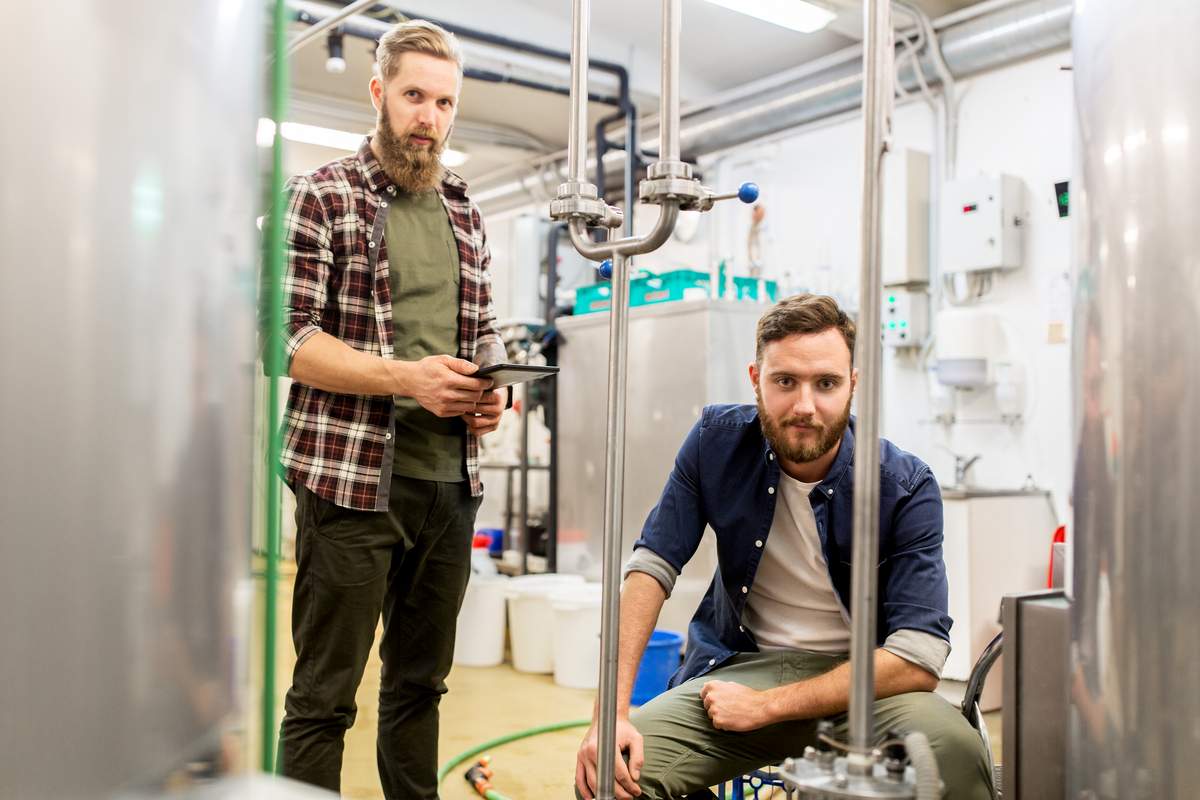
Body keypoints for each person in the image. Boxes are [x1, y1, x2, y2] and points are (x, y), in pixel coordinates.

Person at [574, 294, 992, 800]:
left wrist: (769, 706)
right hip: (739, 670)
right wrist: (610, 715)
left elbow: (916, 658)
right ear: (756, 378)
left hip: (864, 686)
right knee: (610, 777)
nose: (804, 406)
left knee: (955, 752)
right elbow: (651, 567)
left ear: (853, 385)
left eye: (827, 383)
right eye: (784, 381)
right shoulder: (714, 442)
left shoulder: (904, 485)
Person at [272, 19, 508, 798]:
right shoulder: (320, 195)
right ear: (379, 93)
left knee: (419, 688)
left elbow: (482, 331)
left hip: (449, 484)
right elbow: (290, 340)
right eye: (414, 96)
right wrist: (408, 379)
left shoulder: (466, 211)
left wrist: (491, 392)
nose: (429, 117)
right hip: (350, 486)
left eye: (444, 102)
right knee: (322, 699)